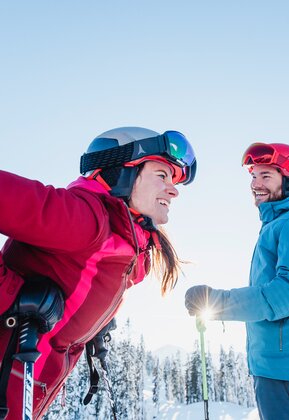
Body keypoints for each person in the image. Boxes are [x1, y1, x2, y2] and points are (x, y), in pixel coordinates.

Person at [0, 126, 197, 419]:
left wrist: (94, 325)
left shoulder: (131, 249)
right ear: (122, 174)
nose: (173, 190)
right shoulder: (84, 218)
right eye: (162, 175)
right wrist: (9, 291)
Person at [185, 142, 289, 420]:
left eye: (266, 176)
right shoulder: (278, 225)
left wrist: (217, 302)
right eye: (253, 176)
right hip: (279, 367)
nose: (256, 183)